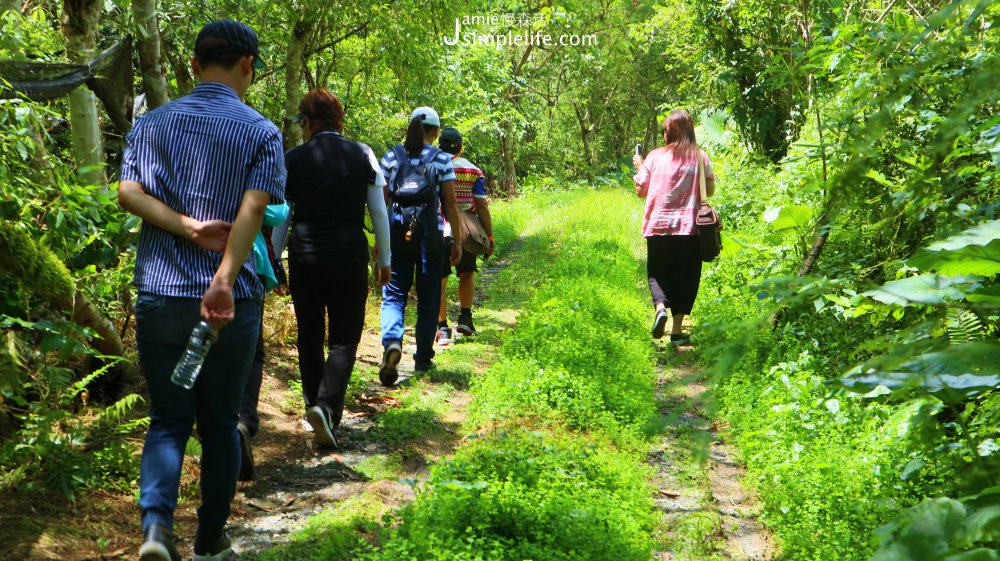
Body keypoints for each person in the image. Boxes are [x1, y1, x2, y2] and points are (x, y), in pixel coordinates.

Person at [118, 19, 284, 561]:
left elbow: (127, 193)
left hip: (162, 291)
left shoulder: (154, 122)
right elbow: (255, 209)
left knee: (168, 419)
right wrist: (223, 280)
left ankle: (156, 531)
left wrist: (186, 227)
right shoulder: (261, 132)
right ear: (248, 67)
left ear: (193, 65)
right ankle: (210, 539)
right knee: (218, 424)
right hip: (230, 301)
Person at [283, 89, 392, 449]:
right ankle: (327, 409)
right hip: (347, 251)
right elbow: (378, 212)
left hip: (305, 251)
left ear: (310, 123)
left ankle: (315, 406)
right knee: (345, 337)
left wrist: (271, 254)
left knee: (309, 335)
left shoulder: (293, 159)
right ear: (339, 120)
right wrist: (385, 258)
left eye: (302, 123)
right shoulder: (362, 154)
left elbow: (283, 214)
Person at [379, 107, 463, 384]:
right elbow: (450, 203)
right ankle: (423, 358)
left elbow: (382, 203)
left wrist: (379, 243)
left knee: (394, 294)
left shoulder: (391, 156)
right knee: (428, 298)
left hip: (396, 234)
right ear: (436, 132)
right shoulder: (441, 159)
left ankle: (392, 341)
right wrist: (457, 242)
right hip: (431, 238)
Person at [632, 109, 715, 347]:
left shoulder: (655, 157)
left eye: (665, 129)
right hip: (690, 228)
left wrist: (641, 167)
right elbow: (709, 191)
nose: (664, 133)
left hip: (658, 226)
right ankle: (677, 332)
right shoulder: (700, 156)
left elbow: (641, 191)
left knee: (657, 272)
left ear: (671, 131)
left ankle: (660, 308)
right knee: (686, 276)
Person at [236, 201, 289, 481]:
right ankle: (243, 420)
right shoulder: (244, 165)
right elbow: (277, 213)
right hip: (248, 262)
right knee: (252, 351)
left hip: (196, 263)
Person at [435, 127, 494, 344]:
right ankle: (465, 318)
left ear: (439, 146)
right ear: (460, 147)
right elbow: (482, 205)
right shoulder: (473, 170)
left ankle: (442, 328)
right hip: (467, 231)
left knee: (440, 279)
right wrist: (489, 237)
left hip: (439, 228)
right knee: (467, 273)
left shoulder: (433, 165)